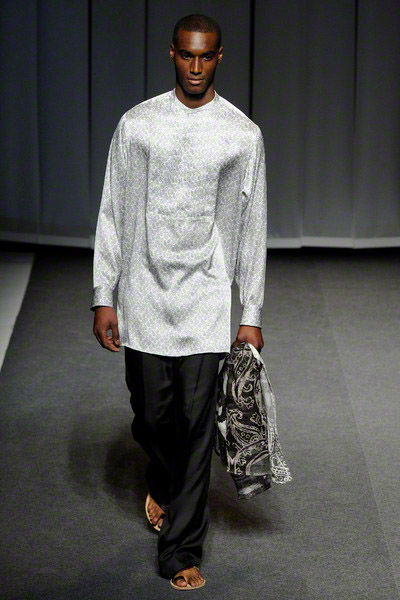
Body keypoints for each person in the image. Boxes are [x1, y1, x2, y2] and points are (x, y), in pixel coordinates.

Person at [91, 13, 267, 591]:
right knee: (151, 417)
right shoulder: (138, 125)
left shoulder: (241, 135)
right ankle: (162, 483)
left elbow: (253, 227)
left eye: (205, 56)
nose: (195, 66)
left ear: (219, 57)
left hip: (206, 298)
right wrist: (104, 293)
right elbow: (113, 210)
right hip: (143, 293)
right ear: (172, 54)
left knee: (195, 429)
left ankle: (181, 551)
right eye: (186, 55)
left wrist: (250, 314)